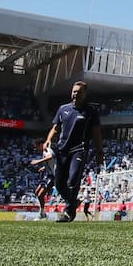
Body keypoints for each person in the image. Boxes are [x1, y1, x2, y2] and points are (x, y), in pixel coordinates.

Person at [44, 81, 104, 223]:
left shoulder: (90, 112)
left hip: (79, 150)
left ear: (85, 94)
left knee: (73, 180)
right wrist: (48, 139)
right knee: (59, 184)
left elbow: (97, 133)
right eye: (74, 91)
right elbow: (55, 128)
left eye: (79, 92)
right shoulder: (63, 109)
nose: (76, 94)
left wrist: (99, 152)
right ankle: (73, 201)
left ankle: (69, 212)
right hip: (62, 150)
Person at [30, 139, 56, 219]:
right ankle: (42, 212)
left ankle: (42, 213)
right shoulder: (44, 151)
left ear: (41, 144)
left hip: (53, 176)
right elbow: (51, 161)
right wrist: (44, 167)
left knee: (41, 194)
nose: (36, 149)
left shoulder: (47, 150)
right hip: (48, 175)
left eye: (36, 147)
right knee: (37, 192)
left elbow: (50, 156)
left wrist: (38, 161)